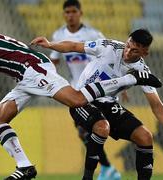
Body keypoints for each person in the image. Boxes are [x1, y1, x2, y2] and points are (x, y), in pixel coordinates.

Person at [0, 26, 162, 180]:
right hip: (24, 77)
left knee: (77, 99)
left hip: (34, 71)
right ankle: (25, 166)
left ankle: (130, 78)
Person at [30, 28, 163, 180]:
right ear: (127, 40)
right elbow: (74, 46)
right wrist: (50, 44)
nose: (128, 51)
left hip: (108, 103)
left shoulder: (142, 71)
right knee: (102, 127)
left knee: (145, 137)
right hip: (81, 99)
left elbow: (156, 104)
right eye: (128, 45)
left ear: (145, 52)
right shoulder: (109, 46)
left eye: (135, 50)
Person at [50, 0, 121, 179]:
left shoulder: (92, 34)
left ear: (80, 13)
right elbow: (53, 64)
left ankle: (105, 168)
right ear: (63, 14)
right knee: (84, 132)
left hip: (98, 89)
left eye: (74, 11)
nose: (70, 15)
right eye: (67, 12)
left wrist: (120, 85)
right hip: (76, 92)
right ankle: (107, 168)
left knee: (96, 129)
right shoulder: (58, 35)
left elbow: (109, 58)